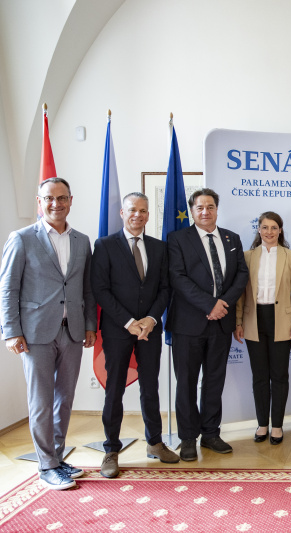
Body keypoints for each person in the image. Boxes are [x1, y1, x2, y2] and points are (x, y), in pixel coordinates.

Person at [0, 177, 96, 490]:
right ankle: (46, 466)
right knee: (41, 401)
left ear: (71, 200)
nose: (56, 204)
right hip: (35, 333)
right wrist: (11, 331)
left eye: (62, 198)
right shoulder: (22, 238)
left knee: (64, 399)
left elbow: (86, 287)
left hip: (72, 331)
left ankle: (56, 455)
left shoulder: (82, 240)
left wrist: (91, 326)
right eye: (49, 198)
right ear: (40, 202)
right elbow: (8, 287)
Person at [91, 192, 179, 478]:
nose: (138, 215)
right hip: (118, 330)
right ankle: (111, 450)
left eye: (143, 210)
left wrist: (152, 319)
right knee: (114, 389)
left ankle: (154, 442)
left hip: (149, 331)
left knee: (150, 387)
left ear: (148, 214)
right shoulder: (104, 246)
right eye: (132, 210)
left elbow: (165, 288)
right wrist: (129, 322)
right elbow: (101, 289)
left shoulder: (159, 247)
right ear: (122, 213)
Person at [166, 188, 248, 461]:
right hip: (188, 324)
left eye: (210, 206)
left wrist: (222, 303)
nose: (205, 211)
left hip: (221, 323)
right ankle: (188, 437)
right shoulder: (177, 239)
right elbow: (178, 278)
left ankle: (211, 433)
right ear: (192, 210)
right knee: (187, 383)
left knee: (214, 380)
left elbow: (241, 275)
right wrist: (208, 304)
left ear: (217, 208)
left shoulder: (231, 238)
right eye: (200, 207)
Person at [234, 212, 291, 445]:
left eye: (274, 227)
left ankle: (277, 425)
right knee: (260, 376)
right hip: (254, 320)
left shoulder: (290, 256)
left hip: (282, 321)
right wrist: (238, 322)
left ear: (280, 230)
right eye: (264, 227)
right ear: (259, 230)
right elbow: (241, 294)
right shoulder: (247, 256)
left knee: (279, 376)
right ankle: (262, 424)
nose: (269, 232)